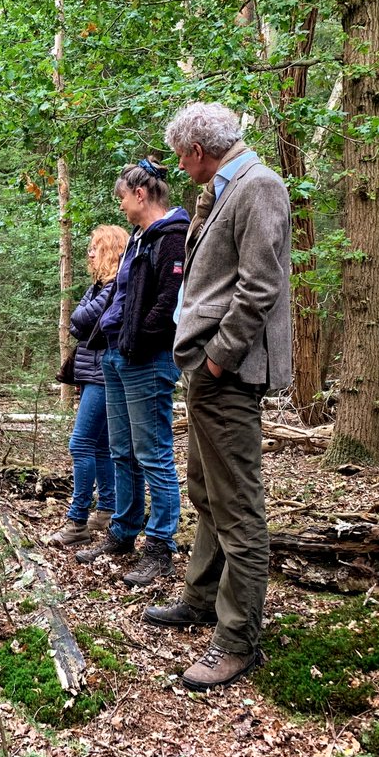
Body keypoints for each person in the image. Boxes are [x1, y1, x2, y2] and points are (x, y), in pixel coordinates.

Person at [143, 103, 292, 691]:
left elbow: (259, 285)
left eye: (182, 157)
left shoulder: (259, 187)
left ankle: (237, 640)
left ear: (198, 151)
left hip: (228, 371)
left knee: (237, 505)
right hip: (207, 370)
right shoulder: (225, 187)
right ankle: (202, 597)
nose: (180, 169)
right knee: (205, 489)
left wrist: (218, 356)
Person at [75, 161, 189, 589]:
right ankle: (123, 533)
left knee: (153, 453)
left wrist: (137, 340)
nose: (121, 206)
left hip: (145, 359)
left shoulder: (173, 237)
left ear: (141, 194)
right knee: (122, 451)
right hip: (117, 358)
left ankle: (160, 546)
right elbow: (121, 299)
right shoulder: (141, 238)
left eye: (122, 197)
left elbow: (170, 302)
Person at [48, 224, 129, 547]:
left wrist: (81, 321)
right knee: (99, 446)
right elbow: (78, 322)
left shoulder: (115, 287)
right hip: (93, 372)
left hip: (102, 375)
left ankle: (77, 519)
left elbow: (81, 321)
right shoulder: (99, 287)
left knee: (80, 444)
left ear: (110, 250)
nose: (89, 253)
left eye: (96, 247)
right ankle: (107, 509)